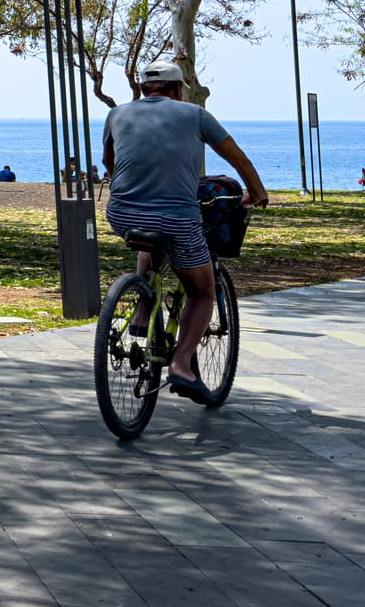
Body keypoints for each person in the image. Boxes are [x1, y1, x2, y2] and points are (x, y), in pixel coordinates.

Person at [103, 59, 268, 401]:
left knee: (149, 235)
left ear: (142, 89)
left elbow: (110, 162)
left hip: (120, 214)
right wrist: (257, 193)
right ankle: (180, 365)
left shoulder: (116, 115)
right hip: (176, 218)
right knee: (202, 292)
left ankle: (143, 309)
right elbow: (240, 161)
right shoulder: (195, 115)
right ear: (178, 89)